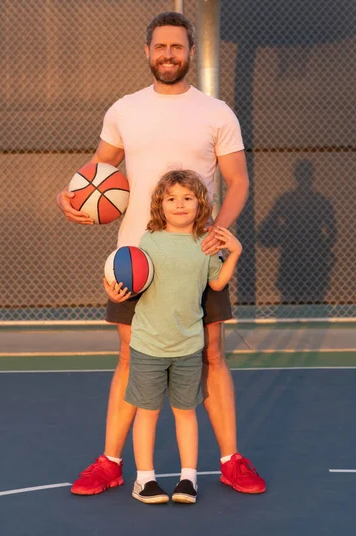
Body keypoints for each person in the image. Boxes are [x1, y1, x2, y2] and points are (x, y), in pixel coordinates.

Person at [56, 11, 265, 495]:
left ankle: (231, 459)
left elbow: (238, 182)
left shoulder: (216, 113)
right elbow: (97, 172)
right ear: (147, 52)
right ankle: (110, 462)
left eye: (177, 47)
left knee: (212, 354)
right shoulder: (124, 110)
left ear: (191, 52)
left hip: (197, 255)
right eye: (160, 46)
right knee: (131, 355)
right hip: (136, 257)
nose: (168, 54)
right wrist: (64, 197)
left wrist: (219, 231)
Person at [104, 170, 243, 504]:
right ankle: (145, 480)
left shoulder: (206, 245)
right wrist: (115, 292)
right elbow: (128, 278)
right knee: (147, 412)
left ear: (201, 203)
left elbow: (217, 284)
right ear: (160, 205)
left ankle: (188, 479)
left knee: (185, 412)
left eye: (187, 198)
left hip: (188, 346)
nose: (179, 205)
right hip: (148, 346)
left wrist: (234, 252)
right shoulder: (149, 241)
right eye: (171, 199)